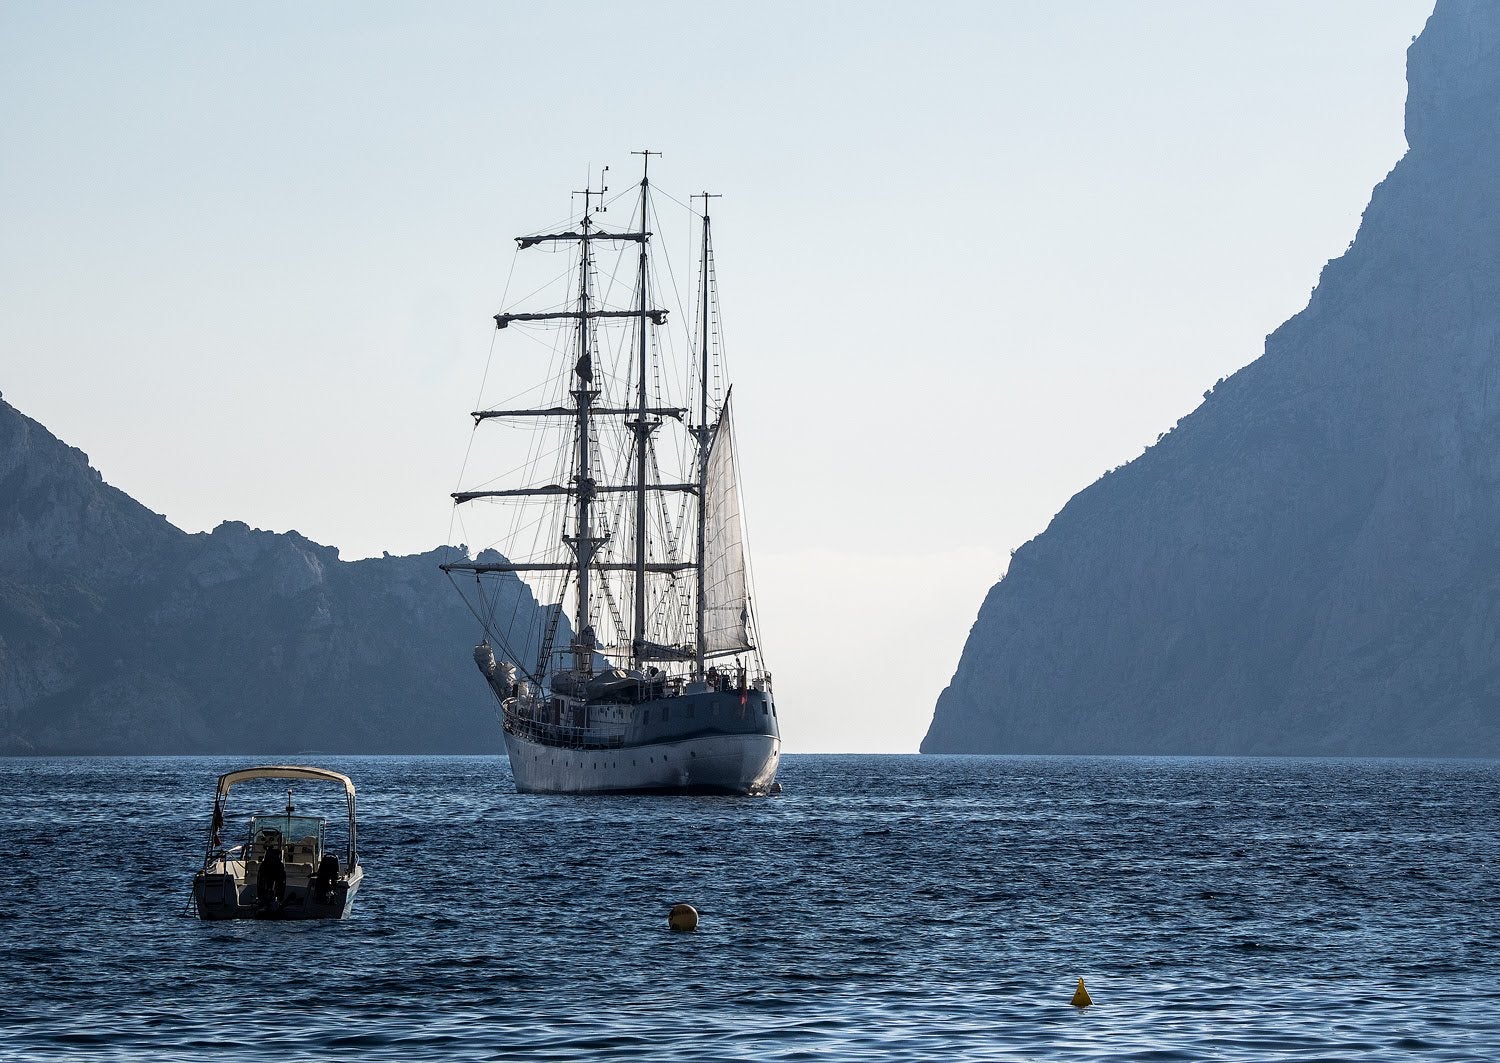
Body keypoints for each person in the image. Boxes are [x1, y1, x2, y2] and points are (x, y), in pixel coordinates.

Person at [257, 839, 286, 911]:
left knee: (270, 884)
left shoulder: (266, 864)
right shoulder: (278, 864)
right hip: (271, 876)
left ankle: (270, 899)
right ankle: (270, 899)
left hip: (272, 876)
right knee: (269, 884)